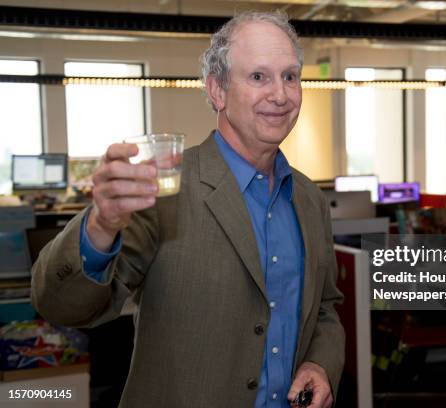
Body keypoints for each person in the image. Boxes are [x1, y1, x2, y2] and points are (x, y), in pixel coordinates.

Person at [31, 11, 345, 408]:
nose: (280, 95)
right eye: (258, 77)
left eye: (290, 76)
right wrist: (100, 225)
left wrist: (320, 363)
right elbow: (60, 305)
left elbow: (326, 309)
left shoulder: (308, 198)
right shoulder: (164, 190)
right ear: (217, 90)